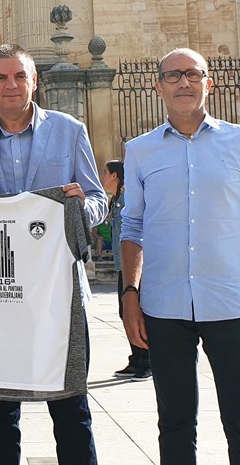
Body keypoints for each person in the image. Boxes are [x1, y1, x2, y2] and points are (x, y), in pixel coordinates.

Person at [0, 43, 107, 465]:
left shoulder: (70, 130)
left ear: (34, 81)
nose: (11, 85)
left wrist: (80, 207)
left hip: (59, 293)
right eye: (1, 77)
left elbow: (97, 198)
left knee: (71, 406)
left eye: (20, 76)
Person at [120, 48, 240, 465]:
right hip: (164, 304)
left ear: (209, 83)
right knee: (174, 422)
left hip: (229, 302)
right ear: (158, 87)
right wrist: (130, 295)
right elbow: (132, 226)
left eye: (193, 74)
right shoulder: (139, 150)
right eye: (173, 76)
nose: (184, 83)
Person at [101, 160, 151, 381]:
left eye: (104, 172)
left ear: (114, 176)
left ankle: (146, 361)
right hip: (123, 265)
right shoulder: (117, 200)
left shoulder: (127, 199)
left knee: (135, 311)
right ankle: (137, 358)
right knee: (125, 312)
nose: (102, 176)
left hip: (134, 267)